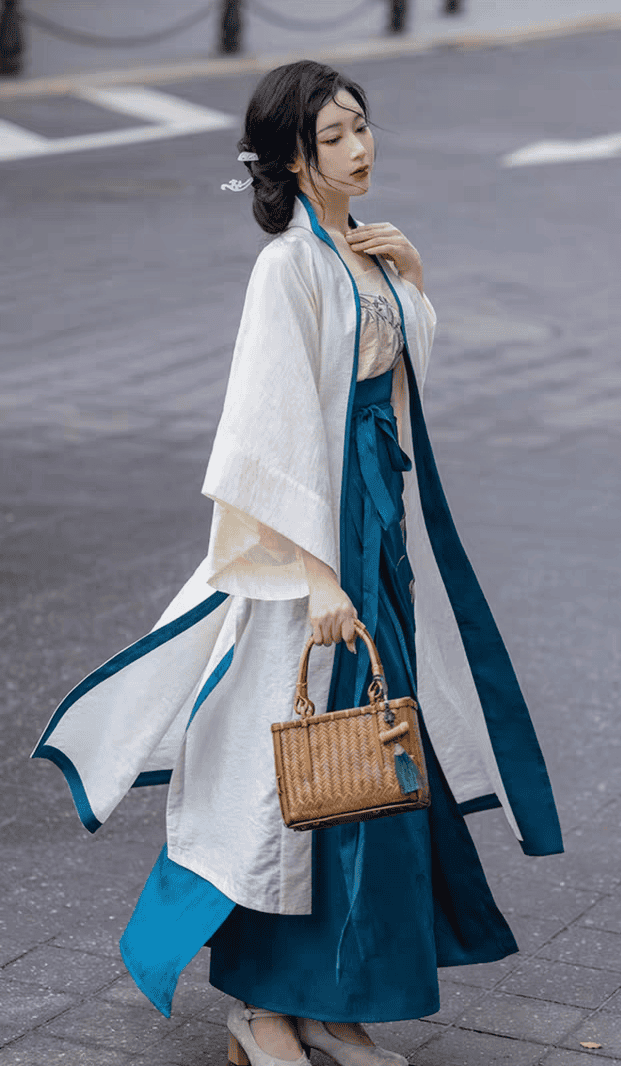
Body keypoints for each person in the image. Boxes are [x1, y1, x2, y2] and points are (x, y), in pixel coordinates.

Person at [32, 60, 563, 1066]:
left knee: (369, 779)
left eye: (364, 125)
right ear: (292, 156)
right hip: (315, 558)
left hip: (375, 540)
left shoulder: (360, 249)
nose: (360, 148)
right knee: (289, 784)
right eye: (335, 136)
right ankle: (260, 1007)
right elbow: (261, 443)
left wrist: (413, 282)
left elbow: (389, 384)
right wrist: (316, 577)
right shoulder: (286, 269)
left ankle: (331, 1005)